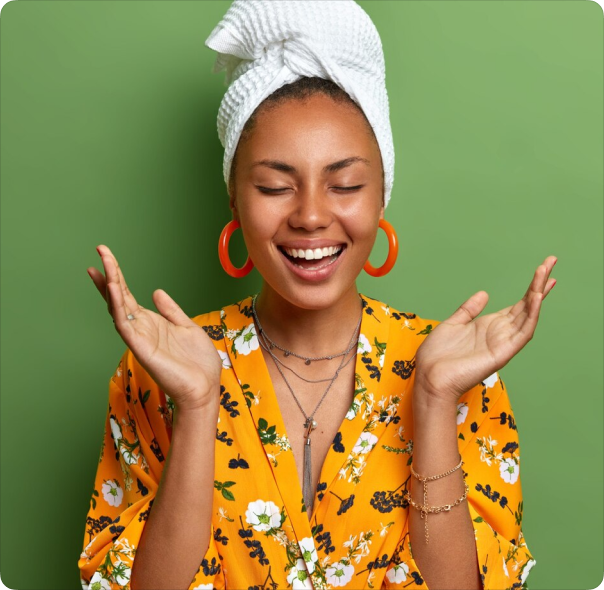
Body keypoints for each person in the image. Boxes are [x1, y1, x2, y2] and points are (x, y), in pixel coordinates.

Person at [79, 1, 552, 589]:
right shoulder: (159, 370)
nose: (309, 215)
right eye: (276, 186)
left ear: (382, 198)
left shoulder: (457, 371)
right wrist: (199, 407)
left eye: (346, 184)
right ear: (234, 200)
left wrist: (432, 400)